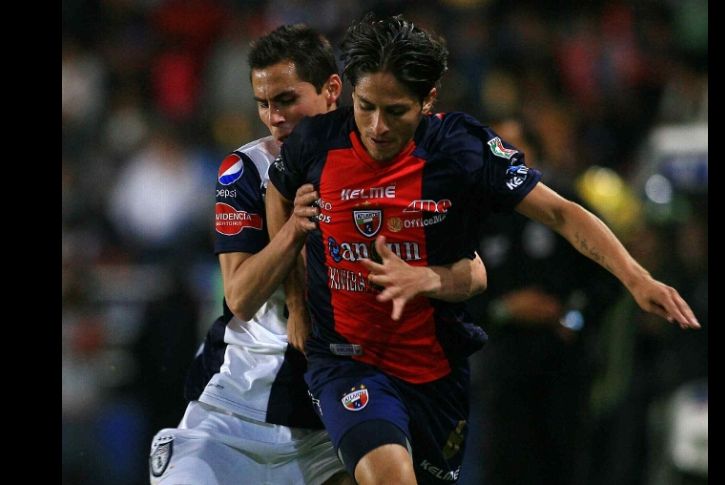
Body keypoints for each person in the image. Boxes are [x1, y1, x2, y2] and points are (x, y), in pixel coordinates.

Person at [266, 14, 700, 485]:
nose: (377, 127)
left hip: (435, 369)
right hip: (348, 362)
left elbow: (561, 213)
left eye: (396, 111)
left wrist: (636, 278)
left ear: (428, 100)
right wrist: (295, 299)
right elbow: (277, 190)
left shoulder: (462, 149)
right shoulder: (317, 141)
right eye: (365, 106)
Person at [148, 24, 487, 485]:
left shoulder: (395, 160)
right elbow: (240, 297)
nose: (273, 118)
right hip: (235, 409)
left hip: (332, 425)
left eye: (287, 100)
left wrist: (428, 279)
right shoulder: (247, 170)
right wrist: (293, 228)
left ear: (332, 90)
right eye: (263, 104)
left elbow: (471, 270)